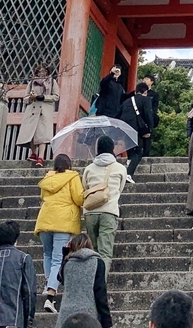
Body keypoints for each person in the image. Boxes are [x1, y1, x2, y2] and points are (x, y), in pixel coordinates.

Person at [36, 153, 85, 313]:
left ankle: (48, 284)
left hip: (45, 219)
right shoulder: (73, 177)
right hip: (63, 221)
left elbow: (43, 197)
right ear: (69, 165)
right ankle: (51, 295)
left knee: (47, 255)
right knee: (58, 258)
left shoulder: (48, 178)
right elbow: (78, 198)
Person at [82, 135, 128, 271]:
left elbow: (85, 188)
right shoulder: (120, 168)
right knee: (105, 253)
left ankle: (90, 280)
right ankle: (100, 286)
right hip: (109, 211)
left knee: (92, 251)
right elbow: (120, 188)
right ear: (112, 148)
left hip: (90, 211)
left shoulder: (89, 168)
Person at [54, 234, 112, 328]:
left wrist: (65, 253)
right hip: (89, 314)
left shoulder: (67, 263)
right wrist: (106, 321)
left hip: (66, 313)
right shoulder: (98, 262)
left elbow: (60, 278)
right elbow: (100, 292)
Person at [17, 63, 58, 166]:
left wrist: (42, 97)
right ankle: (34, 153)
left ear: (47, 72)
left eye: (44, 71)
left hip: (44, 111)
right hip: (32, 110)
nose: (42, 73)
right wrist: (30, 98)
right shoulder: (31, 83)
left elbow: (56, 96)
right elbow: (25, 98)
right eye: (39, 71)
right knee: (32, 133)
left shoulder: (52, 82)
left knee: (42, 135)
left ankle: (41, 157)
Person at [117, 82, 154, 177]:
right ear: (145, 91)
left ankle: (128, 169)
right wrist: (149, 129)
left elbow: (118, 115)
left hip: (125, 128)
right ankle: (129, 174)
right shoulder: (146, 100)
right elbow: (148, 115)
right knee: (138, 153)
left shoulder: (126, 102)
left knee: (131, 151)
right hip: (137, 129)